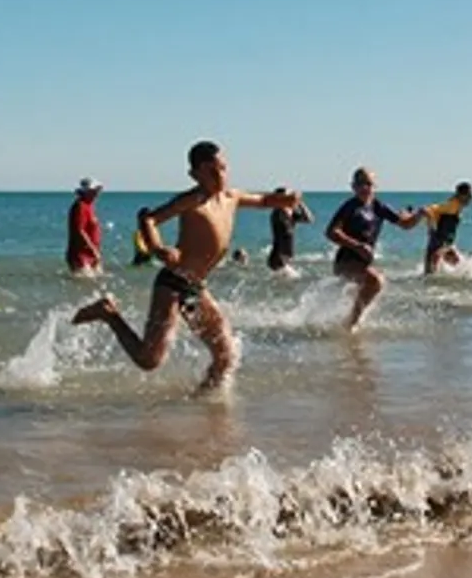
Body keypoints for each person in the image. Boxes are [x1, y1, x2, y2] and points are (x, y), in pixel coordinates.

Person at [72, 140, 302, 392]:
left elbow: (263, 200)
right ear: (194, 174)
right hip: (172, 284)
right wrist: (159, 249)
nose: (220, 176)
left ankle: (203, 404)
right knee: (149, 360)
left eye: (223, 168)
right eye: (211, 171)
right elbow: (150, 219)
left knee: (226, 356)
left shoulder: (231, 197)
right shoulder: (192, 200)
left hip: (196, 288)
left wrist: (285, 200)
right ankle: (108, 313)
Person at [326, 166, 425, 329]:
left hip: (363, 262)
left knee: (369, 288)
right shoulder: (350, 206)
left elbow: (405, 224)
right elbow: (331, 232)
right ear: (353, 187)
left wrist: (420, 214)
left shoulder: (378, 206)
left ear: (375, 187)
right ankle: (351, 323)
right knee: (376, 281)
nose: (365, 188)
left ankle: (348, 323)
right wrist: (357, 246)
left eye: (369, 184)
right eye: (361, 184)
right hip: (345, 261)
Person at [421, 181, 472, 275]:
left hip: (447, 241)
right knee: (431, 269)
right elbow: (430, 209)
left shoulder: (457, 205)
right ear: (462, 196)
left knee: (459, 265)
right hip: (439, 239)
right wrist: (430, 225)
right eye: (470, 196)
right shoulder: (452, 206)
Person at [268, 189, 314, 272]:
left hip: (285, 258)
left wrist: (300, 202)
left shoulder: (291, 213)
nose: (289, 198)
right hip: (278, 258)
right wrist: (295, 200)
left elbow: (309, 219)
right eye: (286, 197)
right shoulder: (277, 213)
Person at [67, 178, 105, 275]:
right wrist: (93, 250)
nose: (97, 194)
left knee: (96, 283)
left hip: (90, 253)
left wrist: (95, 251)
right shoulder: (80, 206)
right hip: (81, 255)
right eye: (94, 191)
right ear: (86, 192)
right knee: (84, 283)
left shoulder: (89, 206)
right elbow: (80, 231)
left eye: (97, 191)